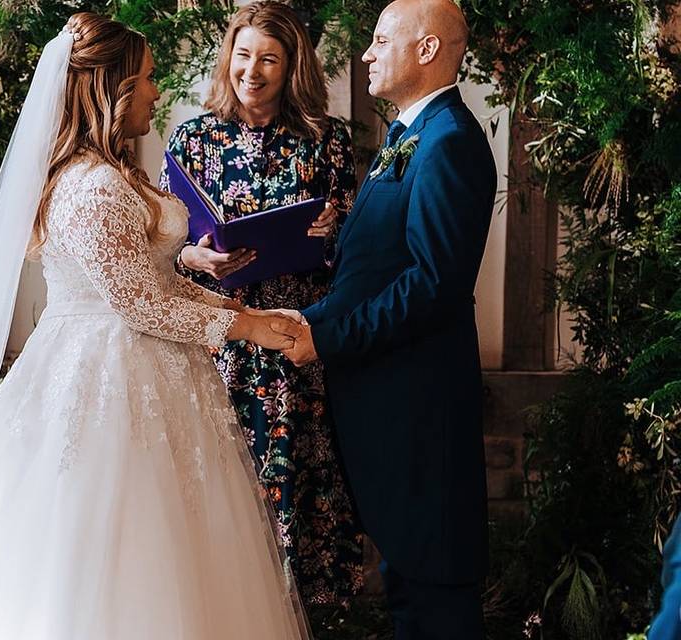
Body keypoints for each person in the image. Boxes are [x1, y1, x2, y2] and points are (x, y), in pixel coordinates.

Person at [0, 13, 312, 640]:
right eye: (150, 79)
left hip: (152, 367)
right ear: (114, 88)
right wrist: (250, 330)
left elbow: (154, 283)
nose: (158, 93)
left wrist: (243, 314)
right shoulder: (92, 186)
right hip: (107, 374)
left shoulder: (116, 173)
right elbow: (141, 307)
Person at [279, 0, 496, 637]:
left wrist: (329, 338)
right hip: (390, 410)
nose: (367, 54)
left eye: (379, 40)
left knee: (434, 598)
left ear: (426, 50)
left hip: (419, 412)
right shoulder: (412, 135)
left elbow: (433, 283)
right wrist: (306, 315)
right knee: (409, 589)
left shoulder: (450, 141)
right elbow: (376, 265)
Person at [160, 0, 364, 605]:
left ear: (291, 66)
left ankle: (297, 612)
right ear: (229, 60)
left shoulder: (325, 140)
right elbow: (162, 248)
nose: (253, 70)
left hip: (293, 333)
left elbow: (357, 243)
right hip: (218, 338)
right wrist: (195, 258)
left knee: (295, 469)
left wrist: (334, 230)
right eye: (244, 55)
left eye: (269, 59)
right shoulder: (192, 139)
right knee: (220, 476)